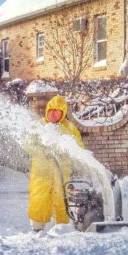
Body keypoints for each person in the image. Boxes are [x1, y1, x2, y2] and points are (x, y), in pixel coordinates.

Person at [28, 95, 84, 231]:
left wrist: (68, 152)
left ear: (63, 112)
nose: (53, 113)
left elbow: (79, 147)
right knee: (39, 197)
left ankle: (62, 227)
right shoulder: (39, 125)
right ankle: (37, 227)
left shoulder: (69, 128)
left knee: (62, 198)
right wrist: (42, 151)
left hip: (62, 172)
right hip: (41, 172)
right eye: (51, 110)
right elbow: (29, 144)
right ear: (47, 111)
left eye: (57, 111)